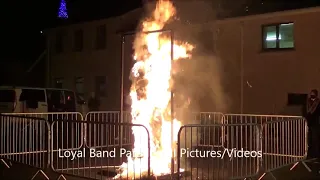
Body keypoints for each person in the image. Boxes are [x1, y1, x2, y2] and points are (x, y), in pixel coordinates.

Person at [306, 89, 320, 158]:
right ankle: (310, 153)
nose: (311, 95)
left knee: (315, 139)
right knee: (309, 139)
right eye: (311, 94)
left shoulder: (318, 102)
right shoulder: (307, 102)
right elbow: (305, 111)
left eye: (313, 94)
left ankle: (316, 154)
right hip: (308, 122)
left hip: (315, 123)